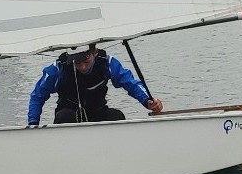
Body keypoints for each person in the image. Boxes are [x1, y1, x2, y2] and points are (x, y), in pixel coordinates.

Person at [27, 44, 164, 126]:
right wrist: (33, 124)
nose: (82, 67)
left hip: (98, 111)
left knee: (117, 116)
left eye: (86, 62)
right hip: (68, 113)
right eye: (77, 63)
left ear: (94, 53)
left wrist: (147, 101)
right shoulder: (58, 69)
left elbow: (130, 82)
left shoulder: (107, 63)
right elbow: (37, 96)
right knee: (65, 116)